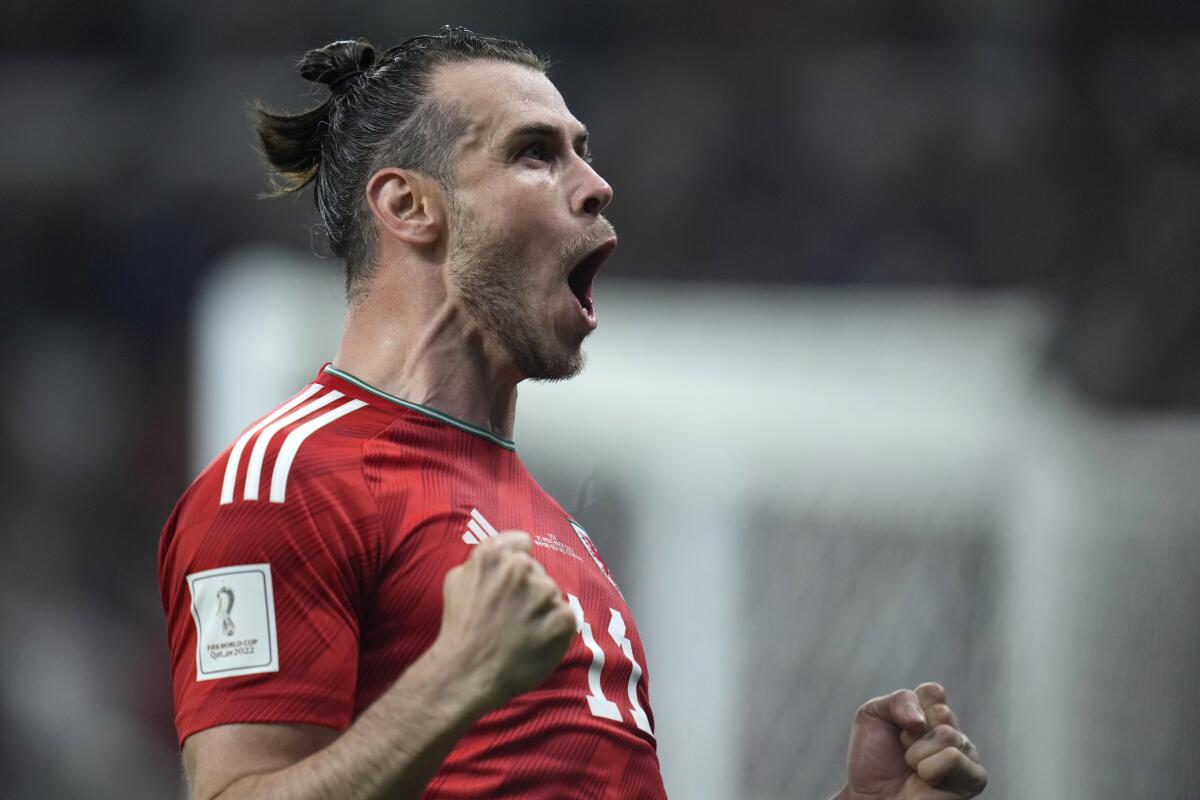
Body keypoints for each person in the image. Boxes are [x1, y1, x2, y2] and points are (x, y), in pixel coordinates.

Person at [157, 27, 989, 800]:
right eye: (534, 154)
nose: (597, 186)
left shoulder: (551, 525)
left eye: (584, 155)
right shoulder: (286, 482)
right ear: (410, 207)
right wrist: (456, 677)